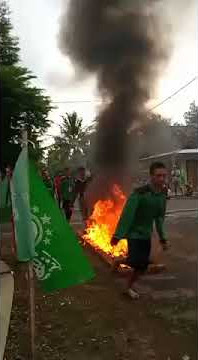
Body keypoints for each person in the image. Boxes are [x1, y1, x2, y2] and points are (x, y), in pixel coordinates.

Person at [111, 161, 170, 300]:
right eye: (158, 176)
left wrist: (163, 239)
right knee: (140, 265)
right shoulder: (140, 193)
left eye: (164, 176)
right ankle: (128, 288)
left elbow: (159, 218)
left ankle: (119, 261)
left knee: (138, 262)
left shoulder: (162, 195)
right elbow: (127, 215)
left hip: (146, 234)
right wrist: (118, 235)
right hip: (134, 233)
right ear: (151, 176)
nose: (162, 179)